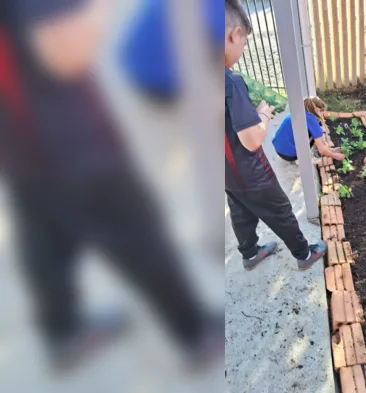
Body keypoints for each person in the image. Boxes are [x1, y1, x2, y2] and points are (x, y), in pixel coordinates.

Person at [0, 0, 221, 371]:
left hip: (19, 139)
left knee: (45, 236)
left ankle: (63, 334)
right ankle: (197, 333)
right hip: (67, 143)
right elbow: (64, 51)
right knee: (138, 233)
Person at [224, 0, 326, 271]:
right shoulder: (231, 83)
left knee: (241, 213)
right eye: (244, 44)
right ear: (234, 34)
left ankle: (249, 254)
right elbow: (252, 140)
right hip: (250, 172)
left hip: (224, 172)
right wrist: (264, 113)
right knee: (280, 210)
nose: (242, 51)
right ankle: (305, 255)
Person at [272, 96, 345, 163]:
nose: (323, 115)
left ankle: (328, 150)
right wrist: (335, 156)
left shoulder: (298, 112)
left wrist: (331, 150)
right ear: (317, 110)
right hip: (289, 155)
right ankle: (309, 157)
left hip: (277, 147)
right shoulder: (312, 120)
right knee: (316, 134)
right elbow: (321, 149)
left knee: (317, 130)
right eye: (323, 112)